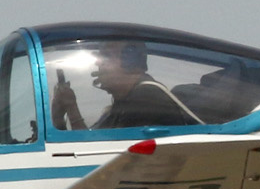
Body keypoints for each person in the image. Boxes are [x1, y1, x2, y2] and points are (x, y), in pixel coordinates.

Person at [49, 41, 200, 130]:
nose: (97, 63)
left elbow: (96, 155)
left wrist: (72, 109)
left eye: (106, 56)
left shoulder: (147, 99)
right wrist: (58, 117)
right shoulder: (117, 108)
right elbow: (75, 150)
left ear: (130, 60)